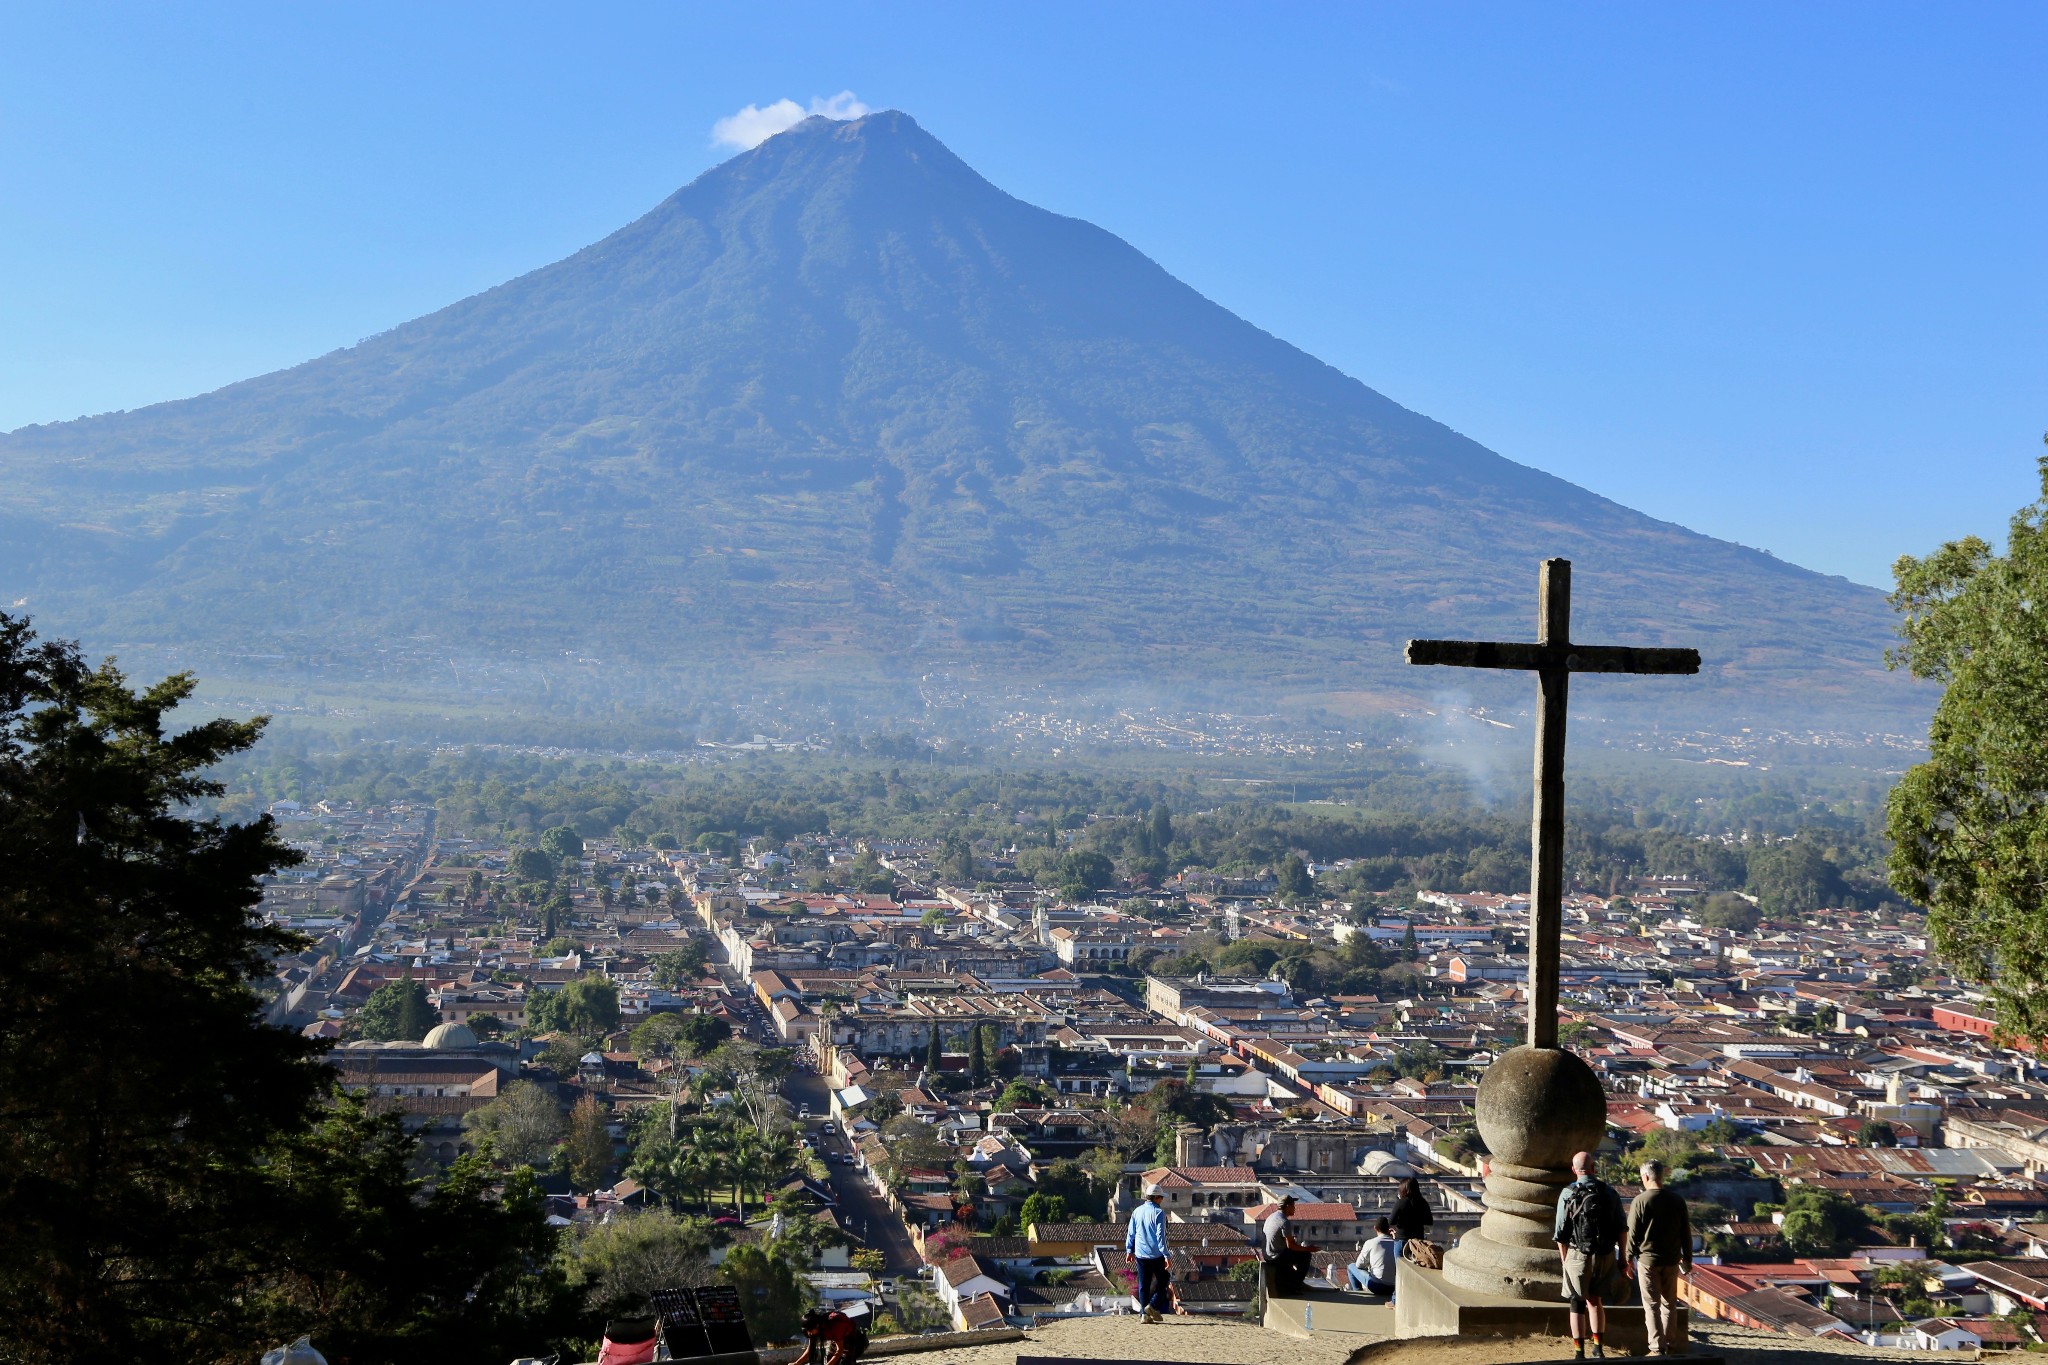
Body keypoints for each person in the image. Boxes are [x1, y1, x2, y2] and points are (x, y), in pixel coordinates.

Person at [1553, 1151, 1626, 1361]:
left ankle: (1578, 1351)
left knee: (1577, 1302)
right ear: (1594, 1168)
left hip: (1578, 1253)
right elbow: (1622, 1227)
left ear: (1574, 1170)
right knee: (1596, 1301)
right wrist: (1621, 1258)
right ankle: (1598, 1348)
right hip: (1605, 1254)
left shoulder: (1568, 1193)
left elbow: (1560, 1233)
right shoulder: (1609, 1192)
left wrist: (1565, 1259)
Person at [1626, 1159, 1694, 1358]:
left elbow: (1633, 1234)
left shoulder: (1640, 1201)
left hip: (1648, 1261)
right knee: (1669, 1304)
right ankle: (1670, 1345)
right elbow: (1685, 1233)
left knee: (1652, 1305)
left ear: (1646, 1177)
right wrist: (1688, 1259)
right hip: (1672, 1260)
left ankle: (1656, 1347)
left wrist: (1628, 1258)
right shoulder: (1677, 1200)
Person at [1125, 1186, 1173, 1323]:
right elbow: (1161, 1236)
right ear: (1157, 1198)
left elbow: (1131, 1232)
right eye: (1161, 1197)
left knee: (1143, 1285)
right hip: (1156, 1254)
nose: (1162, 1200)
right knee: (1164, 1281)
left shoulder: (1137, 1211)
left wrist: (1130, 1250)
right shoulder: (1159, 1213)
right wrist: (1166, 1255)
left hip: (1140, 1254)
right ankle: (1152, 1306)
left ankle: (1143, 1315)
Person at [1262, 1195, 1315, 1297]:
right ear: (1287, 1206)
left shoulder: (1271, 1216)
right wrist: (1309, 1249)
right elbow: (1291, 1246)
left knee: (1296, 1254)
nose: (1294, 1208)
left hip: (1267, 1254)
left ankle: (1290, 1281)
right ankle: (1295, 1286)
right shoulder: (1284, 1222)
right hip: (1276, 1256)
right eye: (1293, 1206)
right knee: (1306, 1256)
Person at [793, 1308, 868, 1365]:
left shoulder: (834, 1325)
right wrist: (796, 1363)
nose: (809, 1333)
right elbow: (810, 1348)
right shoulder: (815, 1330)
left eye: (810, 1331)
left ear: (816, 1326)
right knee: (830, 1359)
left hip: (854, 1342)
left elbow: (839, 1350)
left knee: (845, 1363)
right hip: (838, 1341)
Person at [1347, 1217, 1400, 1296]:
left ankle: (1358, 1292)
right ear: (1389, 1229)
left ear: (1375, 1228)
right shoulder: (1397, 1244)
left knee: (1351, 1267)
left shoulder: (1371, 1243)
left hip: (1376, 1286)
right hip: (1394, 1288)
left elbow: (1359, 1265)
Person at [1389, 1175, 1433, 1263]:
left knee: (1400, 1268)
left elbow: (1391, 1221)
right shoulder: (1423, 1202)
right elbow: (1429, 1221)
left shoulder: (1401, 1202)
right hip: (1418, 1241)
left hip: (1402, 1240)